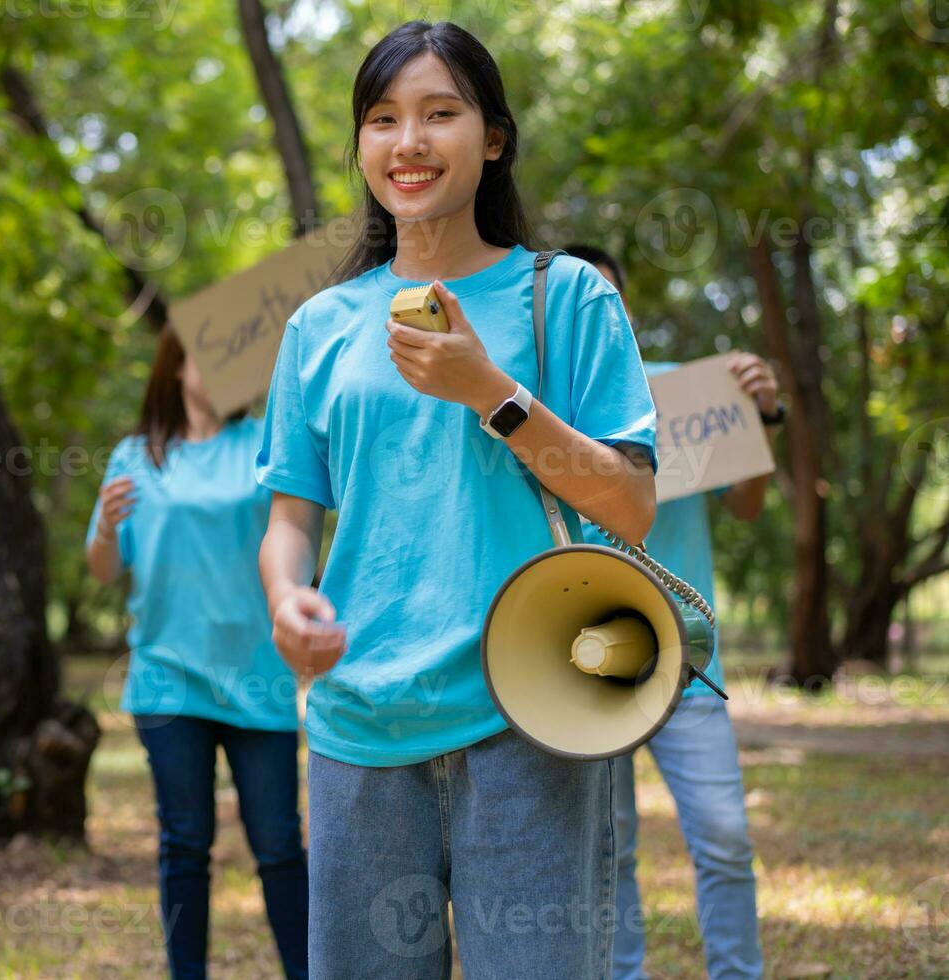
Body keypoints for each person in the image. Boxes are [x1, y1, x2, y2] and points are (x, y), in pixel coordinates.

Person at [255, 21, 661, 978]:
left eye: (441, 113)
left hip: (533, 714)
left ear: (493, 138)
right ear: (360, 145)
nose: (410, 143)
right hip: (360, 723)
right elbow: (288, 519)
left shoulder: (565, 299)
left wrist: (493, 391)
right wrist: (286, 600)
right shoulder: (320, 326)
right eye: (384, 119)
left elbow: (633, 505)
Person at [568, 243, 775, 980]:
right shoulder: (526, 408)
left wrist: (760, 416)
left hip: (686, 665)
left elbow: (747, 508)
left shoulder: (677, 396)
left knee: (723, 837)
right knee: (608, 848)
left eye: (606, 301)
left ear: (623, 312)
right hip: (580, 672)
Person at [86, 329, 308, 980]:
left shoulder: (267, 444)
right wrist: (103, 523)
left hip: (258, 678)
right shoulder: (135, 457)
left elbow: (297, 531)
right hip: (166, 680)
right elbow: (103, 569)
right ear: (175, 366)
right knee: (184, 844)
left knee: (278, 845)